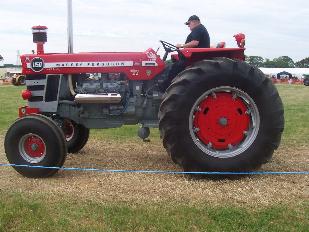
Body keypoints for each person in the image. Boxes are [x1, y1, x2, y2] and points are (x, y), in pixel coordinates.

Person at [160, 15, 210, 91]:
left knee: (174, 68)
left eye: (189, 24)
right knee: (171, 65)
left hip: (194, 58)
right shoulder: (200, 29)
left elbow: (195, 43)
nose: (188, 26)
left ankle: (164, 88)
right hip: (193, 57)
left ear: (194, 22)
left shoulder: (198, 29)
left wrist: (181, 45)